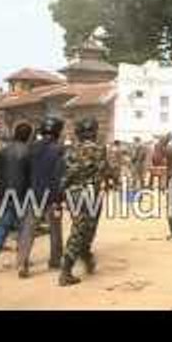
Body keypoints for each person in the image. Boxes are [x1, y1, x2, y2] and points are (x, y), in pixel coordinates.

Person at [58, 117, 114, 286]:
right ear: (94, 132)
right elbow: (105, 171)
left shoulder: (69, 151)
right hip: (90, 195)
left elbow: (64, 176)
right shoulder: (99, 150)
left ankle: (87, 259)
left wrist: (61, 195)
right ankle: (66, 272)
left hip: (73, 194)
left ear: (79, 133)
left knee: (80, 228)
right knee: (84, 230)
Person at [17, 117, 66, 278]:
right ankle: (55, 260)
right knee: (55, 229)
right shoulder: (59, 150)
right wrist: (60, 198)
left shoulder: (30, 148)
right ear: (57, 132)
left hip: (33, 196)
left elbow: (23, 174)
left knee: (28, 230)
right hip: (52, 197)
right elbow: (60, 176)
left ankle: (22, 263)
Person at [0, 123, 32, 271]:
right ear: (29, 136)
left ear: (14, 133)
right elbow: (31, 177)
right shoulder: (29, 153)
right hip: (23, 195)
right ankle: (21, 262)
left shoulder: (2, 151)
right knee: (24, 228)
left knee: (3, 224)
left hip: (4, 194)